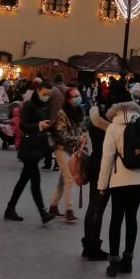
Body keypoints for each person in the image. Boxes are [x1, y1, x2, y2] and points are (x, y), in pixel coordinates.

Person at [97, 93, 140, 276]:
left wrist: (102, 185)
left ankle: (113, 263)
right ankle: (128, 260)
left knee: (116, 218)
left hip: (119, 180)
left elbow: (107, 158)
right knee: (132, 217)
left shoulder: (113, 127)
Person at [4, 82, 56, 225]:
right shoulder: (30, 105)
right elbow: (23, 125)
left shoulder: (46, 105)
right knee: (35, 182)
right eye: (44, 93)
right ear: (38, 91)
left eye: (48, 94)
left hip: (38, 147)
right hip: (29, 148)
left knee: (23, 181)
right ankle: (43, 213)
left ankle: (10, 208)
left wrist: (50, 125)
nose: (46, 96)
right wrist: (39, 125)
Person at [82, 82, 119, 261]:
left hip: (94, 162)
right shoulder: (112, 125)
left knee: (92, 206)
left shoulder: (94, 117)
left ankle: (87, 245)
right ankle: (93, 248)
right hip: (105, 166)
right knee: (99, 208)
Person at [49, 86, 85, 223]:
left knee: (63, 180)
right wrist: (77, 139)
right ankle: (69, 210)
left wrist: (82, 138)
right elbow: (61, 134)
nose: (78, 98)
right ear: (68, 99)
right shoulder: (62, 113)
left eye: (78, 95)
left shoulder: (80, 111)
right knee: (69, 178)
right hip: (61, 148)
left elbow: (81, 129)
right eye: (74, 96)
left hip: (72, 150)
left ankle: (53, 206)